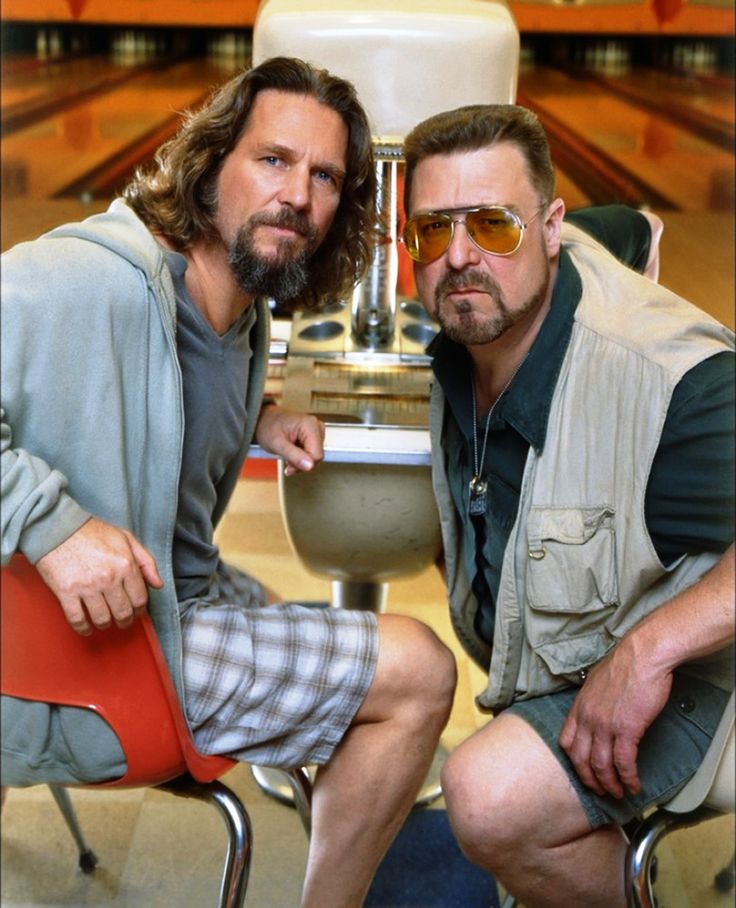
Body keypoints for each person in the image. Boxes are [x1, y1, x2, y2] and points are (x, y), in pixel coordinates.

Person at [1, 57, 457, 908]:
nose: (299, 194)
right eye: (274, 160)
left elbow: (157, 384)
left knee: (331, 657)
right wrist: (50, 524)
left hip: (172, 606)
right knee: (420, 673)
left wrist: (255, 417)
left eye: (325, 176)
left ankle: (352, 824)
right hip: (107, 658)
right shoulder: (92, 281)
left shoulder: (236, 308)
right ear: (210, 167)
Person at [400, 103, 735, 907]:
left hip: (702, 675)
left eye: (494, 225)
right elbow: (630, 225)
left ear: (551, 229)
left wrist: (648, 652)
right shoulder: (473, 337)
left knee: (485, 792)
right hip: (575, 650)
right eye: (430, 231)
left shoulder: (667, 384)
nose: (459, 257)